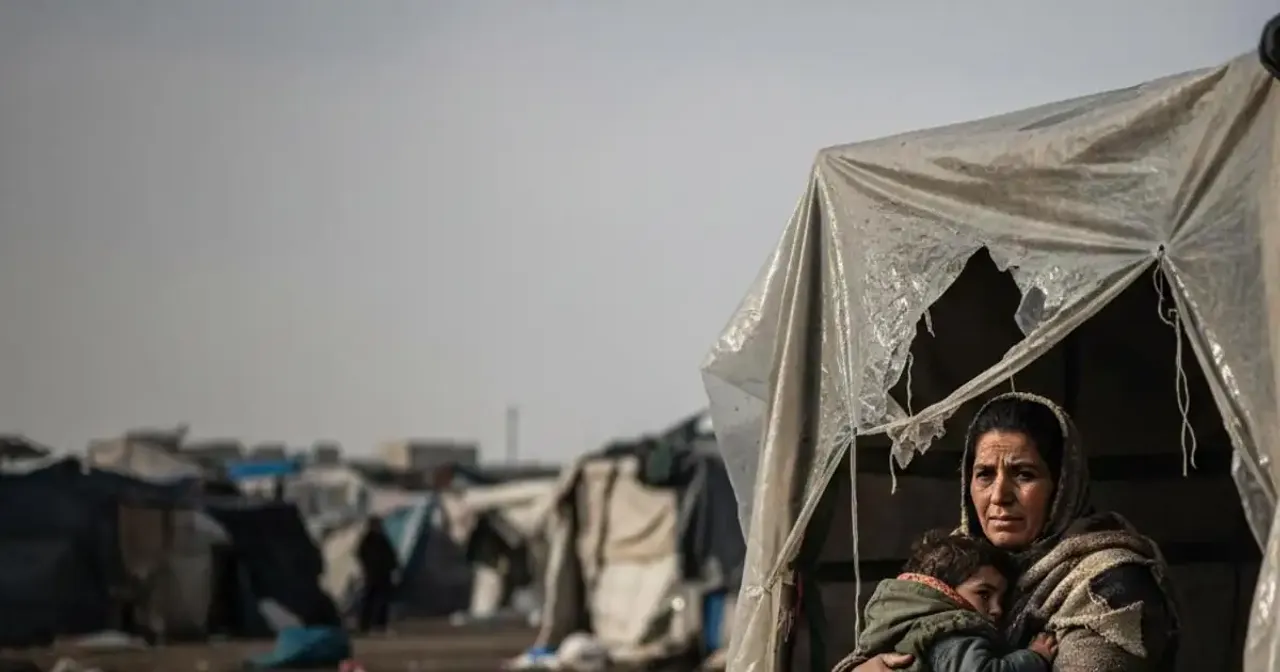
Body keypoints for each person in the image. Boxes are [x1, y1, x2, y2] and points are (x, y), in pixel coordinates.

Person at [849, 392, 1180, 671]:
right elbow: (881, 642)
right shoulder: (957, 563)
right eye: (985, 474)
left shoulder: (1109, 584)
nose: (999, 496)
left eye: (1023, 474)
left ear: (1062, 485)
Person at [840, 528, 1057, 672]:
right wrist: (1035, 657)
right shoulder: (950, 630)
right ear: (943, 590)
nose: (997, 609)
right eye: (984, 594)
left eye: (1002, 600)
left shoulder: (902, 621)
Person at [356, 514, 400, 634]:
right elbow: (361, 555)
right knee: (370, 600)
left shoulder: (381, 539)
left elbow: (391, 556)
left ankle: (379, 624)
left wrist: (393, 568)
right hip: (373, 575)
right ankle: (365, 625)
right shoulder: (368, 540)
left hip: (382, 574)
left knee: (382, 601)